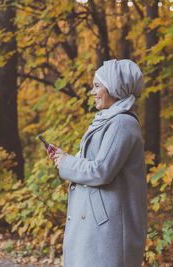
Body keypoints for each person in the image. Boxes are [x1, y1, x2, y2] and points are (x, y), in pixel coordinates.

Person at [48, 59, 147, 267]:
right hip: (96, 226)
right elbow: (94, 162)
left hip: (107, 228)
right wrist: (64, 158)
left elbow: (102, 171)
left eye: (97, 86)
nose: (92, 92)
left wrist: (67, 164)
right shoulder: (108, 120)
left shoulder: (122, 122)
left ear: (114, 87)